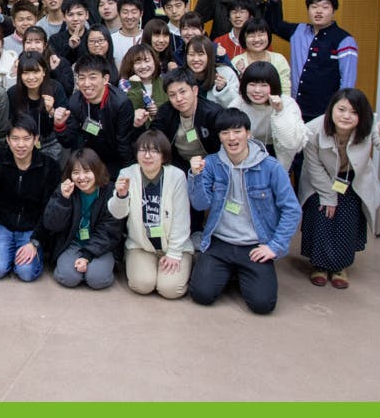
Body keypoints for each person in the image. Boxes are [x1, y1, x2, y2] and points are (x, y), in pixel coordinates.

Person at [187, 107, 302, 315]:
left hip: (254, 244)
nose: (231, 138)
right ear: (219, 137)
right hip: (219, 241)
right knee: (201, 294)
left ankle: (239, 272)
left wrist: (275, 247)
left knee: (263, 304)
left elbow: (292, 210)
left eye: (237, 131)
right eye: (225, 132)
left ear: (248, 134)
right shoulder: (211, 164)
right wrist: (196, 176)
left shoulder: (271, 167)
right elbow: (200, 205)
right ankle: (230, 271)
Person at [298, 89, 380, 289]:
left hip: (354, 179)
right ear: (331, 109)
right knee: (322, 211)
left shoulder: (370, 125)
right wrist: (328, 197)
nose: (346, 116)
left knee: (347, 215)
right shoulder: (313, 129)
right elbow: (314, 167)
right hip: (320, 180)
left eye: (354, 112)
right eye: (341, 109)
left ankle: (340, 267)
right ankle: (319, 265)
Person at [108, 130, 193, 299]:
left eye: (154, 151)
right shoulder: (127, 174)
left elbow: (181, 218)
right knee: (143, 285)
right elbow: (118, 214)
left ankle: (182, 263)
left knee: (170, 290)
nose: (147, 156)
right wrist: (121, 196)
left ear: (164, 155)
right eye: (143, 150)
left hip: (174, 245)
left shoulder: (176, 176)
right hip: (141, 246)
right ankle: (144, 265)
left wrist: (174, 253)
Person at [0, 115, 62, 282]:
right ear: (8, 140)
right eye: (15, 139)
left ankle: (23, 254)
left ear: (36, 139)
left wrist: (35, 241)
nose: (21, 144)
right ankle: (4, 252)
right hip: (3, 225)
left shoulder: (50, 166)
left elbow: (50, 209)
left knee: (26, 273)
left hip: (32, 229)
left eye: (26, 138)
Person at [265, 0, 357, 123]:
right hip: (296, 107)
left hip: (326, 111)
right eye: (314, 7)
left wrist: (341, 110)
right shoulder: (299, 31)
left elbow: (348, 81)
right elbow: (273, 25)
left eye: (325, 7)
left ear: (333, 11)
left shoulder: (345, 40)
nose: (318, 11)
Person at [43, 147, 125, 290]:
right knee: (68, 277)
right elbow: (51, 225)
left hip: (101, 247)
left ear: (97, 170)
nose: (81, 177)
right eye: (76, 173)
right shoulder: (65, 189)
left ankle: (100, 267)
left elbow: (110, 230)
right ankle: (77, 268)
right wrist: (63, 199)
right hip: (72, 243)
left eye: (87, 171)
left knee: (97, 279)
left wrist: (87, 255)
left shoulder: (110, 192)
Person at [53, 54, 135, 180]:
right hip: (88, 159)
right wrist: (60, 125)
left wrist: (128, 174)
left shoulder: (121, 103)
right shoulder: (75, 102)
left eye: (92, 77)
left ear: (105, 79)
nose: (86, 84)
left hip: (115, 159)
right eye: (82, 78)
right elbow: (68, 141)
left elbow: (124, 145)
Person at [223, 61, 306, 170]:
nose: (257, 90)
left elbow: (292, 144)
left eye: (264, 85)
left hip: (278, 154)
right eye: (252, 84)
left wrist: (280, 112)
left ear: (274, 86)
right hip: (245, 155)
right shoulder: (238, 104)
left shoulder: (287, 103)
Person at [7, 51, 67, 161]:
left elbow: (65, 124)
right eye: (25, 73)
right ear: (20, 75)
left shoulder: (56, 88)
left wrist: (51, 112)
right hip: (22, 144)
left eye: (36, 72)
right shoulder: (12, 93)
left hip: (50, 143)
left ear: (44, 72)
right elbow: (9, 123)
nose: (31, 77)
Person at [231, 18, 292, 95]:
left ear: (268, 36)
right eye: (251, 35)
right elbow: (233, 93)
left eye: (261, 35)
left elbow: (285, 91)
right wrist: (241, 75)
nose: (257, 39)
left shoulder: (279, 59)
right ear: (244, 39)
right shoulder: (236, 61)